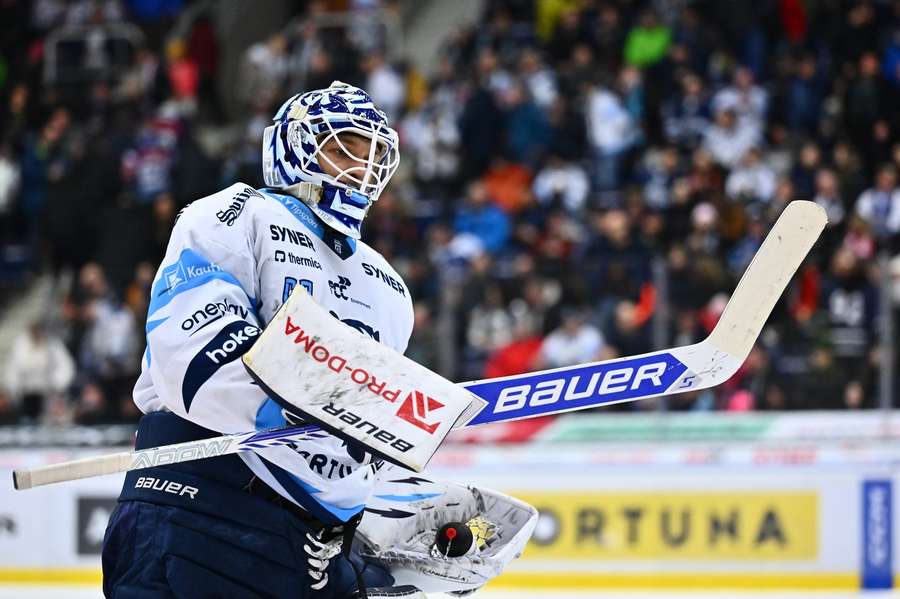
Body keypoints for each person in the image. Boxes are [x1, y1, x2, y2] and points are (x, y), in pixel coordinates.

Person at [101, 81, 534, 599]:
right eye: (343, 147)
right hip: (200, 507)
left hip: (306, 546)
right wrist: (316, 406)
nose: (361, 168)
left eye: (372, 156)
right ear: (291, 147)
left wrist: (384, 505)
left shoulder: (388, 286)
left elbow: (358, 443)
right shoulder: (237, 214)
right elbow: (193, 359)